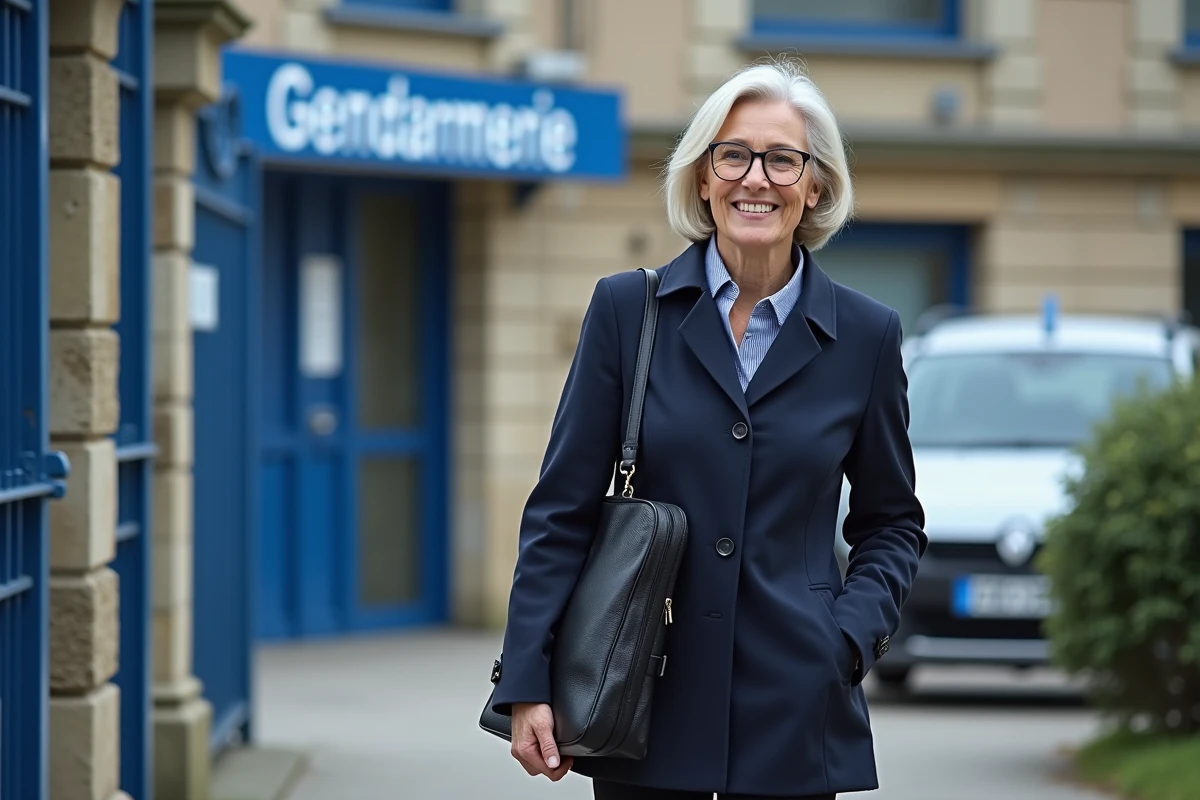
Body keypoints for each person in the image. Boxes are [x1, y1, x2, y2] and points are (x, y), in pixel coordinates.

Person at [488, 58, 927, 800]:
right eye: (733, 154)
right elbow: (560, 511)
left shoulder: (867, 336)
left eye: (782, 159)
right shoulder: (629, 313)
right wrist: (526, 676)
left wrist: (845, 640)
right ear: (701, 176)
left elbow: (892, 523)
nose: (755, 178)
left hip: (796, 715)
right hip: (643, 708)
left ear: (815, 184)